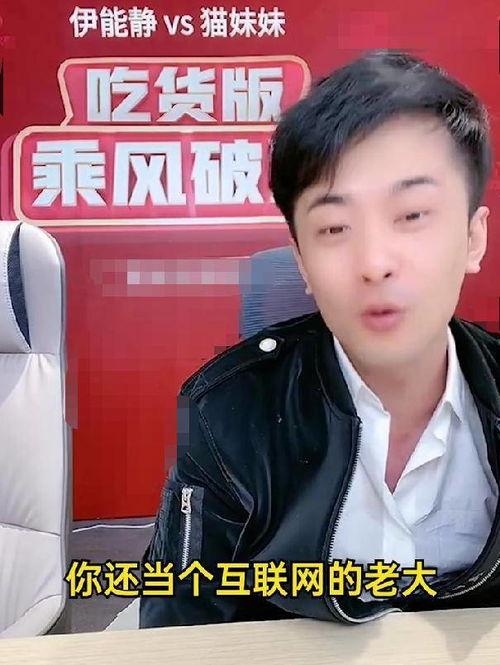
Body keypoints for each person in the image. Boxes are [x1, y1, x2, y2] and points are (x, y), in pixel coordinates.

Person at [140, 49, 500, 628]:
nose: (375, 263)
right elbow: (180, 624)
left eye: (412, 215)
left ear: (473, 237)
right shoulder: (226, 413)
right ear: (302, 260)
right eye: (334, 227)